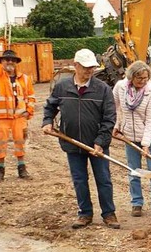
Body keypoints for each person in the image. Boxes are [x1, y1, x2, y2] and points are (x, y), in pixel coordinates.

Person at [42, 49, 119, 229]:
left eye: (91, 68)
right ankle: (84, 213)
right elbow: (50, 106)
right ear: (75, 66)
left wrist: (100, 142)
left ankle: (109, 213)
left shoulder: (103, 89)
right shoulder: (62, 87)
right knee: (79, 180)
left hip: (96, 145)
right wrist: (47, 121)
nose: (89, 71)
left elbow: (109, 118)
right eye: (85, 68)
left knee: (104, 179)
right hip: (72, 143)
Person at [113, 61, 151, 221]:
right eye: (139, 78)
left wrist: (146, 144)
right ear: (131, 77)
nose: (143, 81)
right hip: (130, 136)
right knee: (133, 171)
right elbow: (115, 107)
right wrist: (117, 125)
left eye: (145, 78)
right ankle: (137, 202)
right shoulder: (120, 87)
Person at [0, 49, 35, 181]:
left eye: (13, 60)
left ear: (16, 62)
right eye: (7, 59)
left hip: (19, 118)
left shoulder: (25, 78)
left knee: (20, 143)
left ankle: (22, 169)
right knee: (0, 144)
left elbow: (31, 97)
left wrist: (28, 111)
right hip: (1, 119)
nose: (10, 62)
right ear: (2, 62)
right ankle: (0, 171)